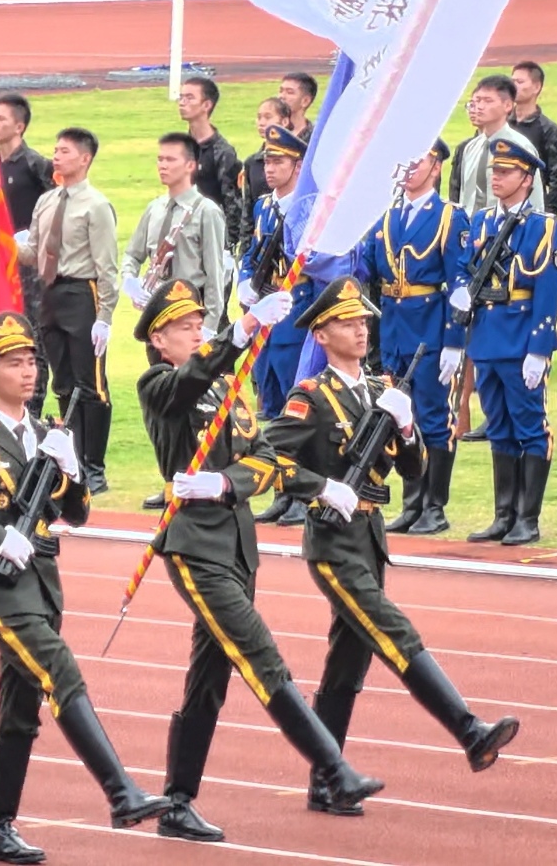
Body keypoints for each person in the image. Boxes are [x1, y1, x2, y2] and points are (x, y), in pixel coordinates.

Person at [134, 280, 379, 842]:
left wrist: (225, 481)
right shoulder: (161, 385)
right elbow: (192, 375)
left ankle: (176, 804)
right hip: (195, 548)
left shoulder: (227, 386)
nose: (198, 331)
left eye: (202, 323)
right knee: (260, 654)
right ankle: (333, 769)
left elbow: (264, 456)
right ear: (160, 340)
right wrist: (241, 330)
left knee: (208, 680)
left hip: (237, 544)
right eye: (186, 327)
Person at [0, 311, 167, 863]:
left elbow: (75, 514)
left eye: (32, 360)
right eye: (14, 362)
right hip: (0, 593)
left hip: (43, 589)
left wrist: (72, 471)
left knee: (19, 710)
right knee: (60, 669)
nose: (28, 371)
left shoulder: (47, 436)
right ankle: (120, 791)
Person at [265, 278, 521, 805]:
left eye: (363, 321)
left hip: (371, 539)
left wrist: (405, 431)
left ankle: (326, 780)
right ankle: (469, 731)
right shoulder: (310, 399)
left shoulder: (381, 390)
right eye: (347, 323)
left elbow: (413, 471)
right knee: (393, 631)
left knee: (346, 666)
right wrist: (323, 487)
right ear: (321, 334)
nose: (360, 329)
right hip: (333, 543)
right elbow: (269, 460)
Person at [355, 141, 472, 536]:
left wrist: (454, 341)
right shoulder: (388, 216)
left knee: (434, 419)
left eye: (418, 161)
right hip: (394, 327)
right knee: (400, 419)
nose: (409, 168)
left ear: (436, 168)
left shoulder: (449, 217)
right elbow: (366, 268)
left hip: (431, 325)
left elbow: (459, 282)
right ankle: (412, 502)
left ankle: (434, 505)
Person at [462, 137, 557, 546]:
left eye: (505, 172)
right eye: (494, 171)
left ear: (526, 178)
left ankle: (528, 517)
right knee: (499, 427)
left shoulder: (542, 227)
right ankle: (503, 514)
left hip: (521, 337)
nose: (496, 178)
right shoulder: (484, 222)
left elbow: (547, 291)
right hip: (487, 338)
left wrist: (539, 350)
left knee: (530, 427)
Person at [122, 132, 231, 507]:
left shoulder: (205, 212)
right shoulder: (154, 209)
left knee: (197, 407)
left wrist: (212, 328)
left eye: (169, 159)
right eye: (159, 159)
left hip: (192, 324)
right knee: (164, 409)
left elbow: (216, 275)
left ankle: (201, 474)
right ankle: (170, 477)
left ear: (191, 165)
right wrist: (131, 283)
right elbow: (132, 255)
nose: (162, 166)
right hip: (161, 328)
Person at [24, 127, 117, 494]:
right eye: (55, 150)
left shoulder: (95, 205)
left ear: (84, 158)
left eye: (64, 151)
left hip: (83, 293)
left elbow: (106, 265)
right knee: (63, 383)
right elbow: (33, 250)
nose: (56, 157)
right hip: (50, 293)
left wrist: (105, 316)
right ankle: (73, 461)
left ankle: (95, 466)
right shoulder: (47, 202)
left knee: (90, 384)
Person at [239, 125, 320, 526]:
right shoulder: (263, 206)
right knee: (271, 407)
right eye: (266, 161)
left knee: (297, 411)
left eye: (278, 162)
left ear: (298, 165)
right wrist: (244, 280)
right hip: (266, 313)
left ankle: (304, 493)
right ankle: (281, 490)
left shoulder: (308, 208)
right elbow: (252, 253)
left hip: (293, 312)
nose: (269, 169)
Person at [0, 93, 55, 413]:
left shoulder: (35, 164)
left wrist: (32, 236)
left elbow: (57, 206)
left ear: (19, 126)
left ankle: (31, 407)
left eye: (1, 118)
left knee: (31, 333)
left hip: (28, 265)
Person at [177, 76, 244, 249]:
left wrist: (227, 247)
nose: (182, 102)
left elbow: (232, 205)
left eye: (190, 98)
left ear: (206, 105)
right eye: (181, 97)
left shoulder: (222, 152)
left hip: (210, 238)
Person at [451, 75, 526, 216]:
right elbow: (465, 196)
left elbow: (534, 201)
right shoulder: (470, 148)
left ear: (508, 105)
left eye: (488, 101)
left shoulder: (520, 148)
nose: (479, 107)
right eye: (477, 101)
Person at [510, 60, 557, 215]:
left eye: (520, 81)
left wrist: (547, 213)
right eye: (511, 81)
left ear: (536, 87)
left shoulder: (547, 129)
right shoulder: (501, 123)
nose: (513, 86)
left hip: (532, 211)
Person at [237, 97, 289, 226]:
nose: (261, 122)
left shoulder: (293, 160)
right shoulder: (252, 162)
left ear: (284, 121)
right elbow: (247, 209)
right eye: (259, 117)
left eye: (268, 117)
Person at [278, 72, 319, 143]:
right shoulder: (275, 133)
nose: (281, 96)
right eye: (281, 91)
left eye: (289, 92)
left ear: (305, 101)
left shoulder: (314, 138)